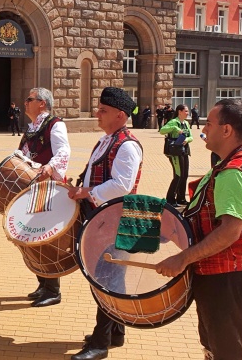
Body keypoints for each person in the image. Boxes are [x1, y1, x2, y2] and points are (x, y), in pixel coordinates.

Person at [155, 99, 242, 360]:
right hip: (224, 274)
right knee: (214, 345)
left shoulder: (233, 173)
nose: (203, 129)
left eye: (209, 124)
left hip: (225, 277)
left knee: (226, 351)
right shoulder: (234, 163)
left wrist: (182, 258)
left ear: (226, 130)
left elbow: (230, 231)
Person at [68, 87, 143, 360]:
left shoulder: (127, 145)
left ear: (120, 115)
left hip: (115, 221)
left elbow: (122, 185)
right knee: (112, 278)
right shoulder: (107, 140)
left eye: (103, 111)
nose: (97, 114)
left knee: (105, 280)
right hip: (103, 219)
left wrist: (89, 193)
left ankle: (100, 343)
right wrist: (80, 189)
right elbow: (96, 177)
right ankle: (117, 332)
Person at [19, 87, 71, 308]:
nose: (25, 103)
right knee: (32, 237)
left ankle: (53, 290)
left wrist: (49, 168)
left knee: (46, 239)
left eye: (29, 99)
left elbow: (64, 152)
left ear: (42, 103)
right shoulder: (32, 128)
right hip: (33, 188)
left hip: (49, 189)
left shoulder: (55, 124)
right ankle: (43, 283)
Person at [159, 104, 193, 207]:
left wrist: (187, 139)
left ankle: (181, 198)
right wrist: (174, 128)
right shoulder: (174, 122)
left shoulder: (186, 123)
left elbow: (191, 136)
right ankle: (170, 199)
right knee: (178, 175)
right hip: (175, 152)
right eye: (186, 111)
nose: (188, 113)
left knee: (185, 175)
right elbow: (162, 131)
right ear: (180, 112)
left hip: (184, 151)